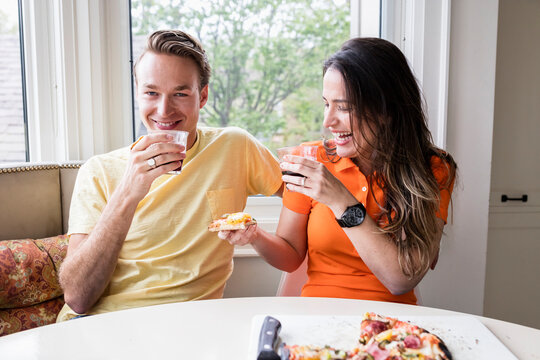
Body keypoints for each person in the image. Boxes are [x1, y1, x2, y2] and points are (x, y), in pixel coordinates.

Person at [56, 30, 283, 321]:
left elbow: (306, 198)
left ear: (202, 96)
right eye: (151, 93)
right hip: (103, 324)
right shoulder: (99, 171)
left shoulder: (235, 147)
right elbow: (77, 298)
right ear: (138, 95)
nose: (164, 110)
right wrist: (128, 192)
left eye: (180, 93)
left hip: (190, 328)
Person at [219, 37, 457, 304]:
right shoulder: (310, 160)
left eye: (344, 107)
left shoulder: (434, 168)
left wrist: (340, 201)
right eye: (326, 103)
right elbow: (290, 256)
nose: (328, 121)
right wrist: (255, 235)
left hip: (391, 326)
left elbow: (400, 279)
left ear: (387, 109)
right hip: (317, 316)